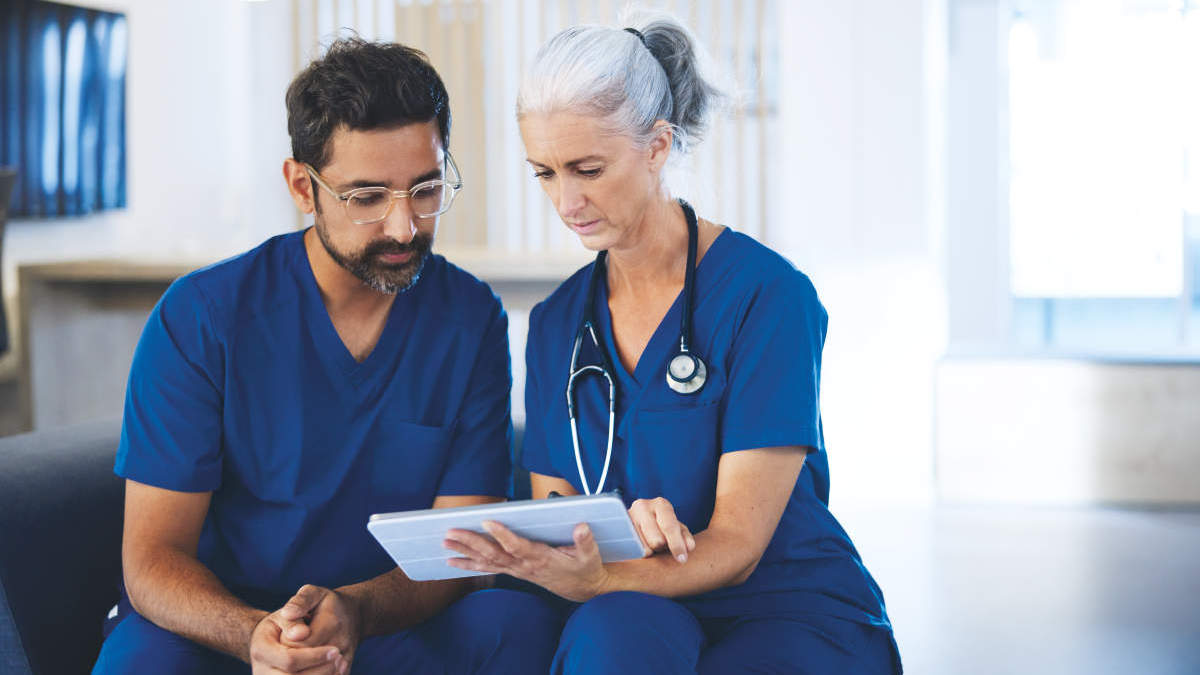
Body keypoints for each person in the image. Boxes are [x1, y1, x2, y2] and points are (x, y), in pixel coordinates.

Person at [442, 14, 902, 674]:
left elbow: (739, 543)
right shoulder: (556, 322)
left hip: (777, 603)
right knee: (584, 636)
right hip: (633, 598)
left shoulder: (766, 296)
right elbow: (559, 506)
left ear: (657, 146)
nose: (566, 200)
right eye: (544, 172)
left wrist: (602, 576)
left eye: (588, 168)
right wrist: (589, 543)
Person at [92, 38, 559, 675]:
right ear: (301, 187)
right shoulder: (202, 316)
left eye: (424, 189)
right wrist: (259, 636)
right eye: (366, 198)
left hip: (381, 618)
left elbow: (461, 547)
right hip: (220, 622)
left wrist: (358, 611)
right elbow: (152, 559)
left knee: (516, 625)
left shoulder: (468, 317)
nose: (402, 227)